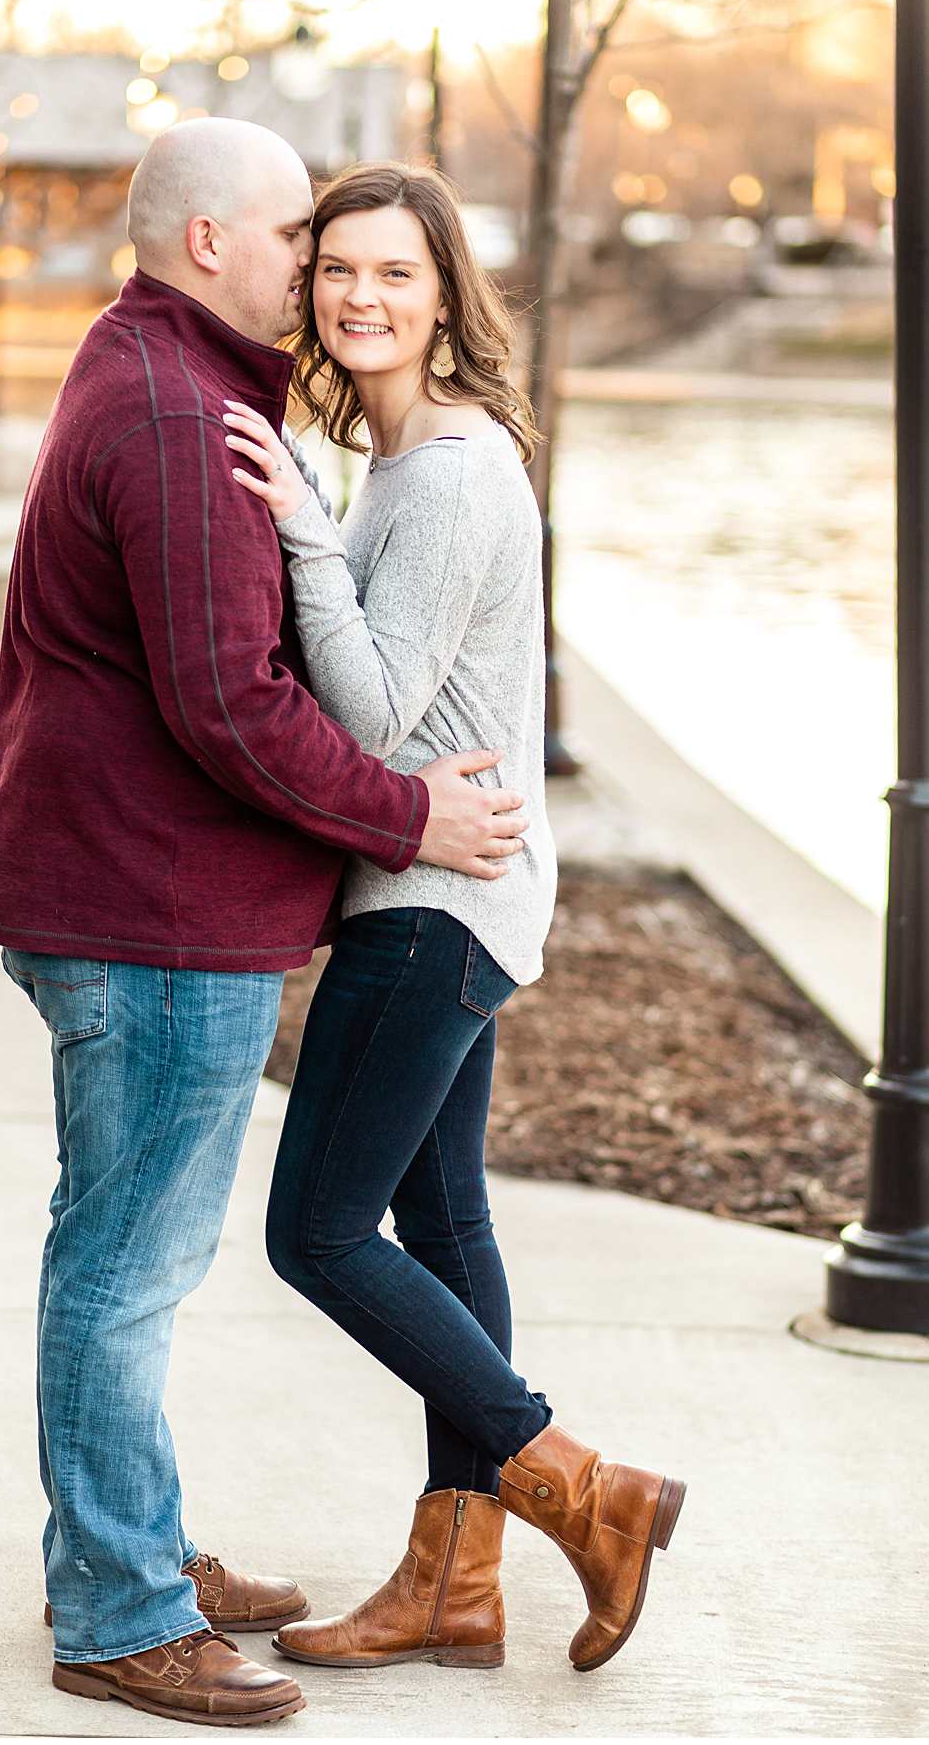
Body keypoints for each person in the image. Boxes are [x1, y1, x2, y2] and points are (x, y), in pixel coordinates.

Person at [0, 118, 531, 1728]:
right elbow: (234, 703)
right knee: (124, 1268)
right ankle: (121, 1608)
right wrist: (414, 814)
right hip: (145, 914)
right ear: (210, 238)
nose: (316, 262)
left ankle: (131, 1545)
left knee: (123, 1251)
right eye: (300, 234)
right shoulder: (175, 413)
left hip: (135, 898)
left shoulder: (176, 383)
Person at [223, 160, 686, 1680]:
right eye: (337, 270)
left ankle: (583, 1489)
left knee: (316, 1229)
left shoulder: (447, 473)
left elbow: (376, 712)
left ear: (444, 296)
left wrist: (296, 529)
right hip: (457, 895)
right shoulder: (415, 460)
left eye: (394, 274)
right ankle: (457, 1581)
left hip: (432, 903)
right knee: (442, 1222)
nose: (361, 296)